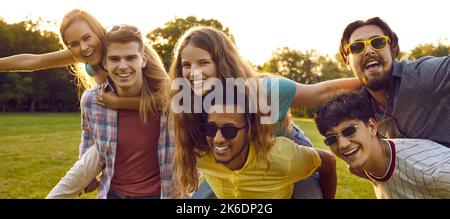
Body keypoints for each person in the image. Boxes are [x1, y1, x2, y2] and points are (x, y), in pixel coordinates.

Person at [169, 26, 360, 198]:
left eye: (203, 63)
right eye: (186, 65)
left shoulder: (265, 92)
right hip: (236, 157)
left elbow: (321, 93)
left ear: (223, 63)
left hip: (285, 150)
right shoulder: (187, 103)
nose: (193, 73)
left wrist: (372, 82)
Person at [47, 24, 174, 199]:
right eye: (115, 59)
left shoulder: (167, 100)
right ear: (105, 62)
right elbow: (89, 135)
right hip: (113, 193)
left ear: (143, 60)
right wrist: (87, 172)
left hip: (159, 194)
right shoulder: (93, 100)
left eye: (130, 58)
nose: (123, 66)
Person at [174, 84, 337, 198]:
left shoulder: (282, 157)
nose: (217, 139)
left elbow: (328, 161)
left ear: (250, 131)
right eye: (210, 129)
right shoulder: (200, 152)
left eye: (229, 131)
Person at [315, 91, 450, 198]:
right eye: (332, 139)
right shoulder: (362, 166)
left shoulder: (431, 171)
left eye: (349, 130)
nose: (342, 145)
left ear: (372, 126)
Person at [339, 17, 450, 147]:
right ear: (347, 60)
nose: (369, 51)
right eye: (357, 47)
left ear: (392, 49)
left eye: (378, 42)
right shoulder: (358, 105)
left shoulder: (422, 75)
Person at [0, 9, 139, 109]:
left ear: (98, 31)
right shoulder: (82, 52)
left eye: (87, 37)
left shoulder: (124, 45)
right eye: (74, 44)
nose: (83, 47)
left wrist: (118, 103)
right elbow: (34, 61)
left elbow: (160, 99)